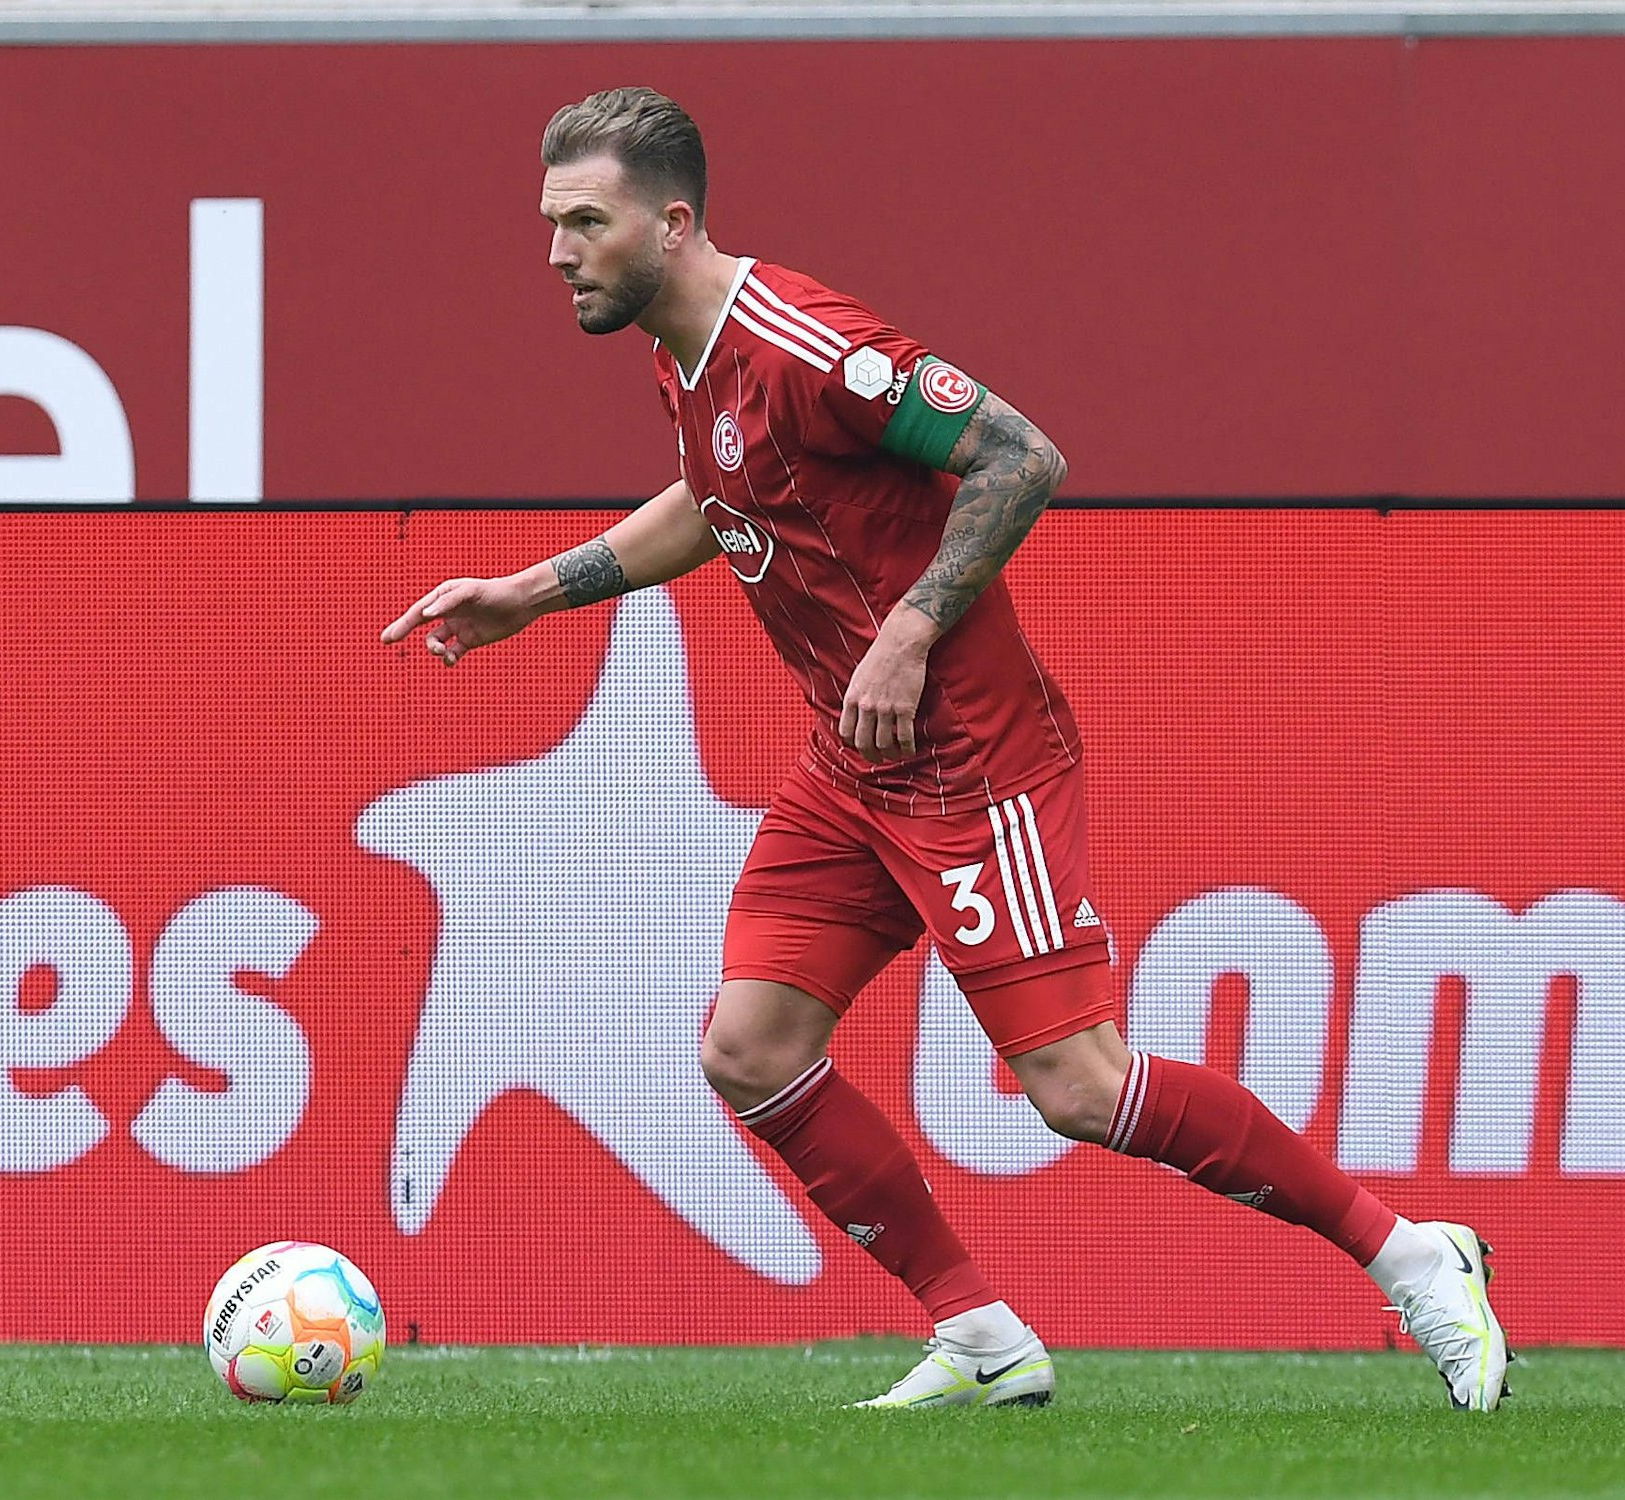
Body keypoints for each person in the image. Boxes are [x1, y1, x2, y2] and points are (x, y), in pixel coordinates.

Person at [382, 85, 1509, 1413]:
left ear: (673, 223)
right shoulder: (681, 353)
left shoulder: (813, 346)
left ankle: (1412, 1255)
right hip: (847, 765)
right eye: (551, 221)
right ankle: (979, 1331)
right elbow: (719, 495)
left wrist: (912, 629)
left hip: (968, 759)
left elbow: (1021, 456)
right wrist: (533, 593)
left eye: (587, 222)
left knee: (1077, 1090)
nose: (559, 251)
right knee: (750, 1048)